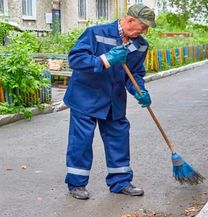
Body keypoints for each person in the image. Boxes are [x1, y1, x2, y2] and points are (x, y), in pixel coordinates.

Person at [63, 4, 156, 200]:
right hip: (85, 98)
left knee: (119, 139)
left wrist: (140, 91)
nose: (145, 31)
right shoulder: (95, 33)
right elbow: (75, 59)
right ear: (130, 21)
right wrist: (104, 60)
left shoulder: (141, 45)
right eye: (143, 26)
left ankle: (120, 182)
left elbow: (135, 74)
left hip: (114, 100)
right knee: (81, 142)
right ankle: (77, 184)